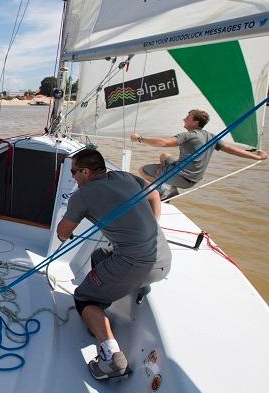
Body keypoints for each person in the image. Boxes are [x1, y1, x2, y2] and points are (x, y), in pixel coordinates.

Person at [56, 149, 171, 380]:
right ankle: (120, 292)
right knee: (99, 255)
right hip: (163, 259)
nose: (73, 177)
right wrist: (152, 226)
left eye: (74, 172)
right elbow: (155, 195)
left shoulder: (83, 194)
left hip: (137, 264)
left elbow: (62, 233)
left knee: (84, 298)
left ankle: (112, 359)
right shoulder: (125, 177)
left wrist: (68, 225)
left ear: (86, 172)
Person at [131, 109, 267, 200]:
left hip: (181, 177)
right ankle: (169, 185)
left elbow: (163, 142)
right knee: (164, 155)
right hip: (194, 180)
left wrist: (139, 138)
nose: (184, 119)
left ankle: (165, 189)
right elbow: (232, 150)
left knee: (142, 170)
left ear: (195, 122)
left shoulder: (188, 135)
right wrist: (256, 156)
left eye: (187, 118)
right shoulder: (211, 137)